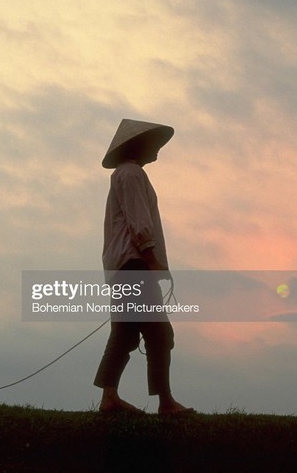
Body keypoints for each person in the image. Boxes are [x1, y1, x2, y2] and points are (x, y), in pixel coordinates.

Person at [93, 118, 194, 415]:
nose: (158, 149)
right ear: (140, 145)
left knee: (125, 332)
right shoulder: (132, 174)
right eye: (154, 144)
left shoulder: (125, 175)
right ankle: (164, 401)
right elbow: (140, 223)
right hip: (134, 264)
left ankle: (110, 397)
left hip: (126, 266)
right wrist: (152, 260)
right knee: (160, 334)